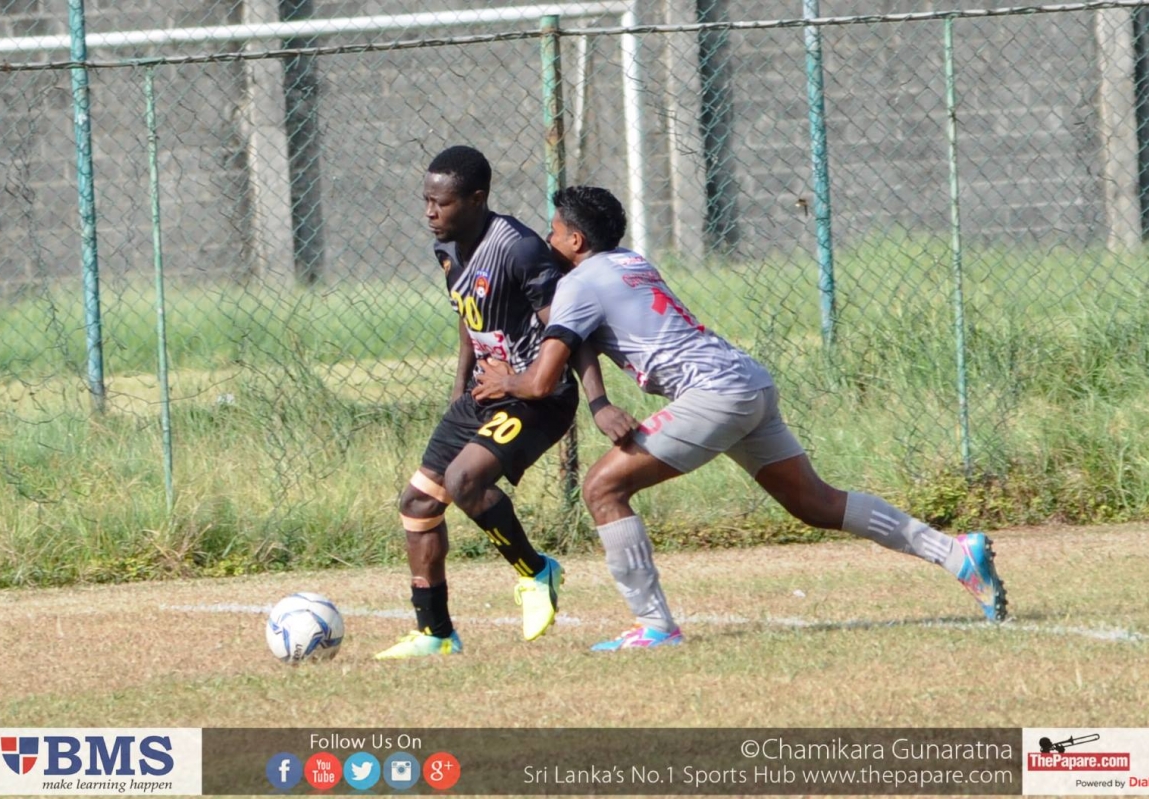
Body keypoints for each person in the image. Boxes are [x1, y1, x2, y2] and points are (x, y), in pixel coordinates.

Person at [473, 185, 1008, 651]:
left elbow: (541, 381)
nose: (548, 240)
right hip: (746, 379)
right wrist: (599, 402)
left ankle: (654, 626)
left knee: (602, 488)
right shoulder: (631, 262)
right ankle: (954, 552)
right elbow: (588, 337)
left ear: (575, 241)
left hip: (713, 394)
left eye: (554, 231)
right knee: (816, 503)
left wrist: (504, 381)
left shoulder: (577, 284)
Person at [374, 146, 578, 659]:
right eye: (426, 201)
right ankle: (436, 634)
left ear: (477, 199)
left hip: (538, 396)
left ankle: (536, 572)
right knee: (418, 504)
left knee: (464, 480)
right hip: (484, 393)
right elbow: (470, 316)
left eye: (441, 203)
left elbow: (566, 327)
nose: (430, 212)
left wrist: (590, 399)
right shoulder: (448, 247)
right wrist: (460, 384)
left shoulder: (518, 248)